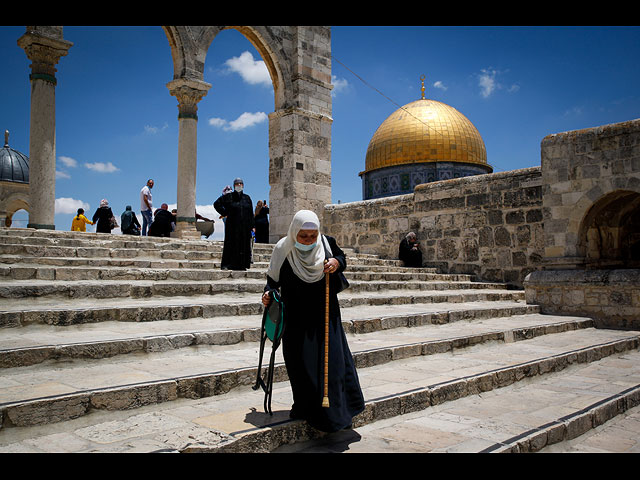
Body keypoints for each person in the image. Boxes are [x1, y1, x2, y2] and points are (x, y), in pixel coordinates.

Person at [261, 210, 365, 433]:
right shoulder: (283, 249)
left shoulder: (326, 243)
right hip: (297, 320)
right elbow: (272, 282)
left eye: (312, 235)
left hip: (326, 316)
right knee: (302, 367)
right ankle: (306, 409)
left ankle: (336, 417)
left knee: (333, 365)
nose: (308, 240)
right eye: (303, 236)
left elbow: (341, 258)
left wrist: (336, 263)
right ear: (294, 232)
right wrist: (268, 295)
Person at [214, 178, 254, 270]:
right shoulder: (229, 196)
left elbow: (250, 212)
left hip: (244, 225)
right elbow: (216, 204)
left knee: (243, 244)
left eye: (240, 183)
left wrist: (252, 226)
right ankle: (227, 264)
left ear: (243, 185)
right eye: (237, 184)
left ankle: (241, 265)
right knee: (231, 243)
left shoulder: (247, 198)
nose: (239, 185)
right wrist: (225, 213)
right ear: (234, 185)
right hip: (232, 225)